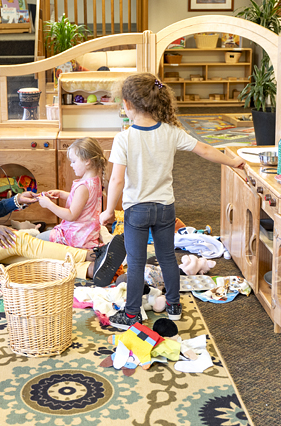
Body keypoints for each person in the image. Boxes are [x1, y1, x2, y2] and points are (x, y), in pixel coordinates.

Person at [99, 73, 245, 329]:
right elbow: (205, 150)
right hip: (165, 208)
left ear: (128, 105)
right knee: (167, 257)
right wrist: (232, 162)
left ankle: (130, 314)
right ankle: (174, 305)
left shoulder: (124, 138)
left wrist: (109, 210)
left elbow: (116, 181)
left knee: (135, 262)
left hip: (137, 210)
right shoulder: (171, 132)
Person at [0, 121, 125, 286]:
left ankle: (90, 270)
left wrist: (16, 201)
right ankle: (91, 255)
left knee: (29, 257)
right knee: (20, 240)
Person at [37, 137, 105, 249]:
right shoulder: (95, 180)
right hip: (87, 232)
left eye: (74, 161)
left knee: (37, 240)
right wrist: (62, 194)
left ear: (87, 161)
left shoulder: (83, 187)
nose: (71, 165)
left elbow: (71, 215)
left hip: (75, 236)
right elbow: (83, 202)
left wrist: (49, 204)